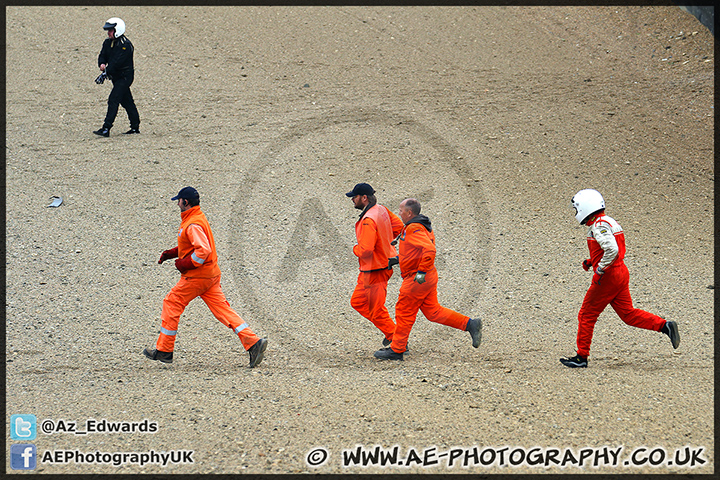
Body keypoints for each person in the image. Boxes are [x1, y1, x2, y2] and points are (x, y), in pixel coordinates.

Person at [143, 187, 268, 367]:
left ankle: (164, 350)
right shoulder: (197, 218)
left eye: (179, 200)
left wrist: (184, 264)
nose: (177, 203)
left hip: (197, 277)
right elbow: (195, 245)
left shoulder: (192, 224)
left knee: (172, 302)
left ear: (185, 202)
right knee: (224, 310)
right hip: (211, 276)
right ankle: (254, 343)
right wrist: (173, 253)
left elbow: (203, 250)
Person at [560, 189, 680, 368]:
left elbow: (612, 250)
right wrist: (591, 261)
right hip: (621, 273)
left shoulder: (598, 226)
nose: (576, 213)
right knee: (628, 314)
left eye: (577, 209)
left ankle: (581, 357)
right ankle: (665, 326)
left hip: (608, 277)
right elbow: (612, 249)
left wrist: (600, 269)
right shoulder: (608, 221)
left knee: (586, 315)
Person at [374, 198, 482, 361]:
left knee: (404, 312)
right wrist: (398, 259)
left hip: (417, 279)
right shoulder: (420, 225)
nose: (399, 213)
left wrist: (420, 273)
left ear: (409, 213)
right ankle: (470, 324)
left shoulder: (414, 228)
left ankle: (397, 350)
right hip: (428, 277)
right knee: (433, 312)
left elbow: (429, 251)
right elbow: (416, 251)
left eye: (401, 210)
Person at [347, 183, 404, 347]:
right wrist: (385, 243)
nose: (352, 199)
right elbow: (399, 227)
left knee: (375, 309)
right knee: (357, 301)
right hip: (374, 268)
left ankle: (397, 338)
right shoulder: (382, 210)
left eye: (355, 197)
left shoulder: (368, 220)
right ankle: (392, 333)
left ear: (364, 198)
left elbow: (365, 251)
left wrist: (355, 248)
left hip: (375, 270)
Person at [93, 17, 140, 137]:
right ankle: (135, 126)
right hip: (115, 76)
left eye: (111, 30)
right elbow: (103, 55)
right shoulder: (108, 43)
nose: (108, 33)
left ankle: (106, 127)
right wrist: (102, 63)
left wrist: (105, 72)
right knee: (127, 101)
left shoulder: (125, 46)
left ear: (117, 30)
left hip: (125, 77)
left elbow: (116, 63)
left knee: (114, 99)